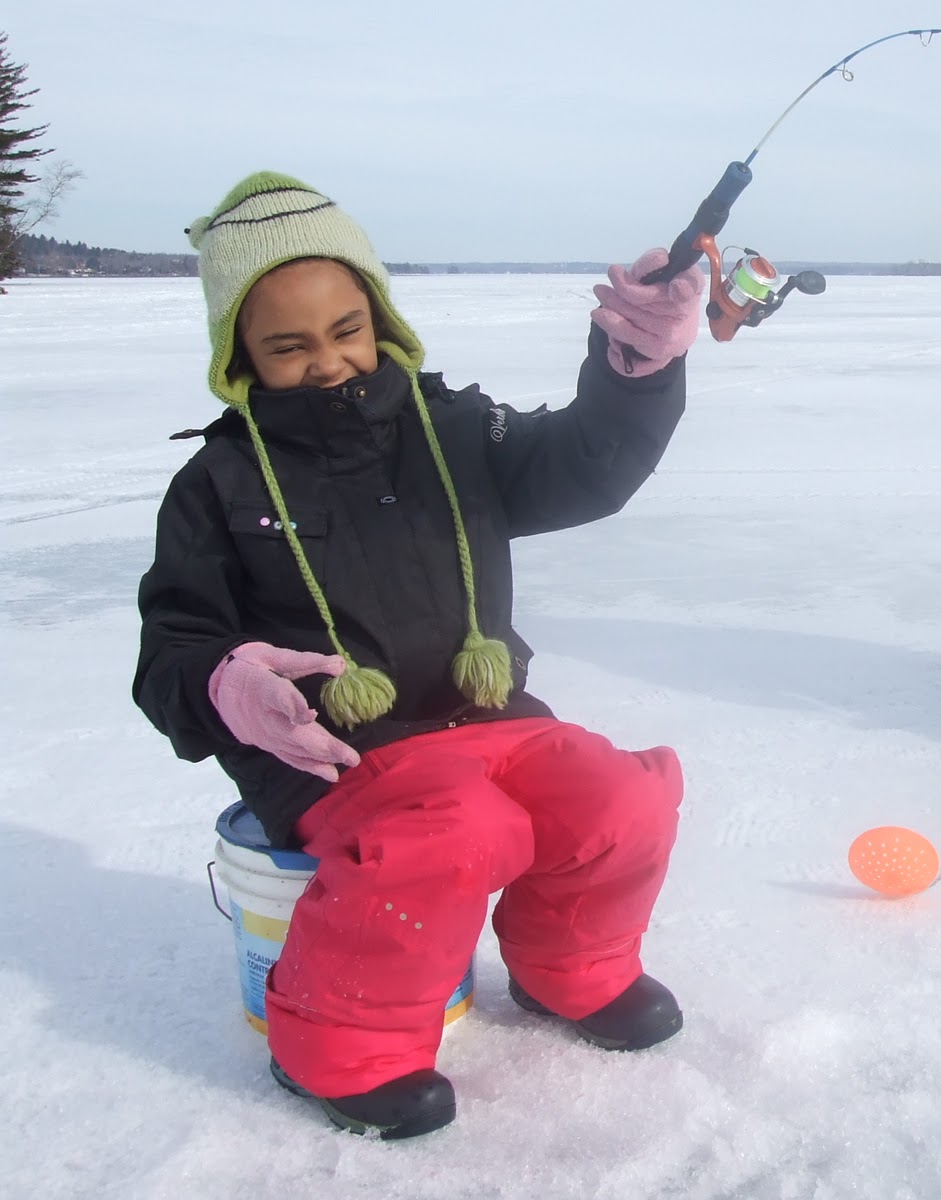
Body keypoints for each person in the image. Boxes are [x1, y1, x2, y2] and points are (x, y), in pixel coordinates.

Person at [133, 172, 706, 1138]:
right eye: (289, 344)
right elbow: (172, 653)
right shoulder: (216, 483)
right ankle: (334, 1047)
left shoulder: (456, 430)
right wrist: (230, 686)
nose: (328, 361)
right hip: (343, 757)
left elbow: (586, 466)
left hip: (494, 720)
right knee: (453, 832)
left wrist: (634, 370)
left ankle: (573, 967)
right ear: (239, 354)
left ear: (380, 315)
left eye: (347, 327)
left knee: (619, 794)